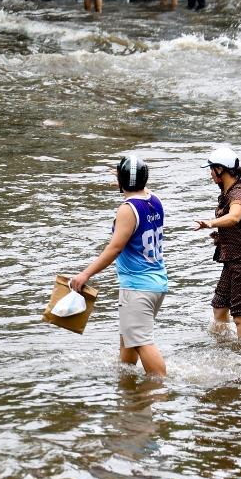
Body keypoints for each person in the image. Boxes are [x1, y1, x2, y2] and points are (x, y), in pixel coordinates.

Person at [70, 154, 168, 378]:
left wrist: (85, 274)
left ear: (121, 182)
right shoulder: (155, 200)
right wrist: (123, 177)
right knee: (129, 341)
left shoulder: (127, 209)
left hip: (137, 287)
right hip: (156, 283)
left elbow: (114, 249)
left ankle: (160, 389)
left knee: (142, 342)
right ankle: (127, 392)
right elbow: (138, 186)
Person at [194, 147, 241, 342]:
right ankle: (226, 349)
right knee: (219, 307)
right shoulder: (226, 192)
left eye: (211, 169)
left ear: (220, 170)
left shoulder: (238, 192)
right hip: (233, 259)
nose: (210, 174)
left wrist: (211, 223)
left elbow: (235, 216)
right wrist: (221, 237)